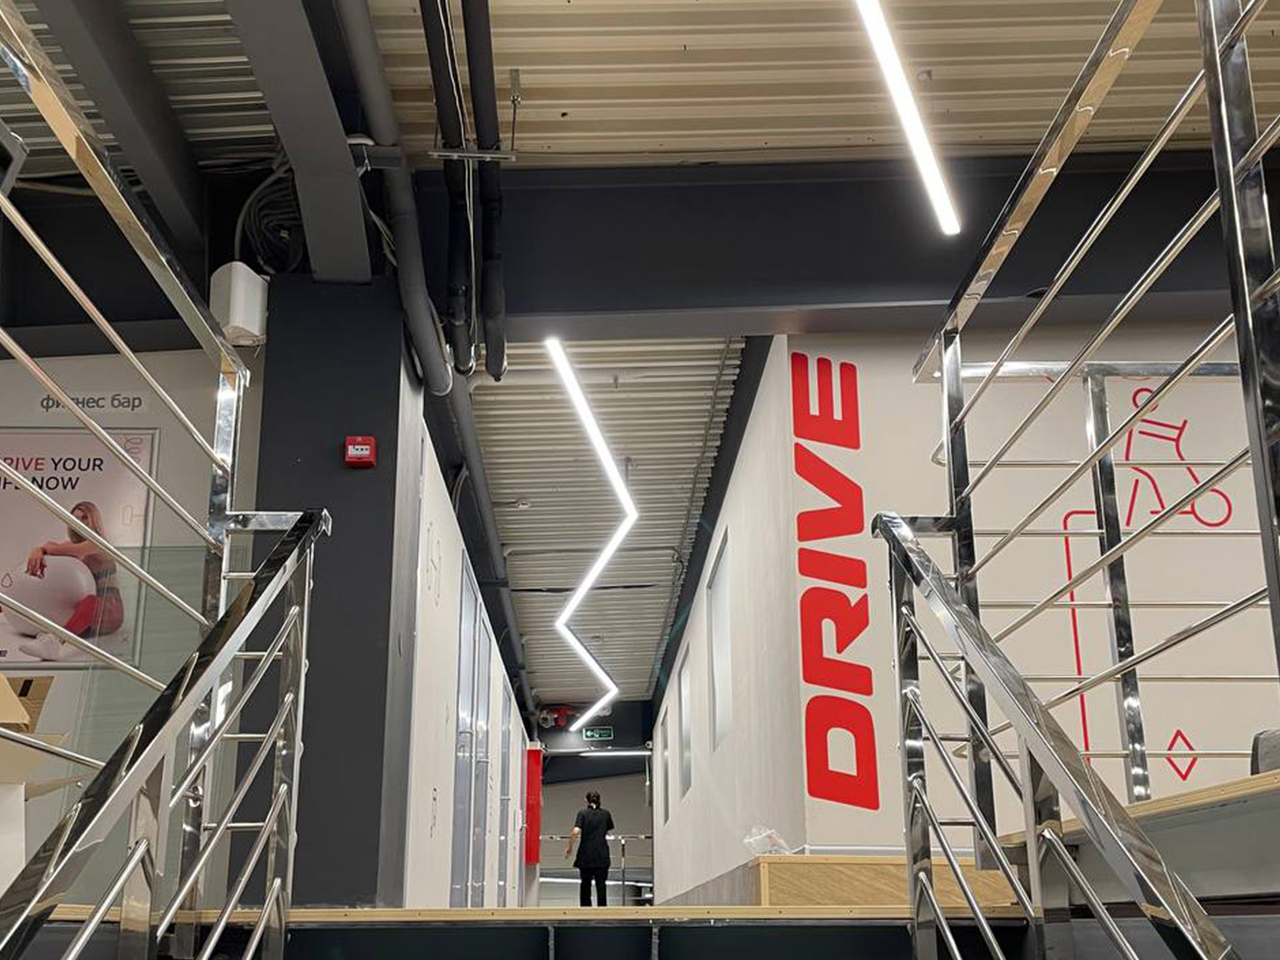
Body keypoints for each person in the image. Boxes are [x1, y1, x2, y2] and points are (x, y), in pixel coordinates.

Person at [19, 501, 125, 660]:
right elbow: (50, 545)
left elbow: (69, 550)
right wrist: (38, 549)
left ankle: (54, 643)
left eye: (85, 518)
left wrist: (40, 549)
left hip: (109, 610)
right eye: (75, 518)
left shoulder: (99, 544)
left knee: (90, 601)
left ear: (94, 519)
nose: (80, 522)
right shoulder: (74, 544)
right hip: (82, 611)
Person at [565, 789, 614, 907]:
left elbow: (575, 831)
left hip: (585, 855)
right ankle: (602, 911)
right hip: (602, 854)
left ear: (586, 800)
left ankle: (585, 911)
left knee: (585, 885)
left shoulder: (582, 813)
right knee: (601, 885)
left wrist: (569, 847)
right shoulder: (606, 814)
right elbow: (608, 830)